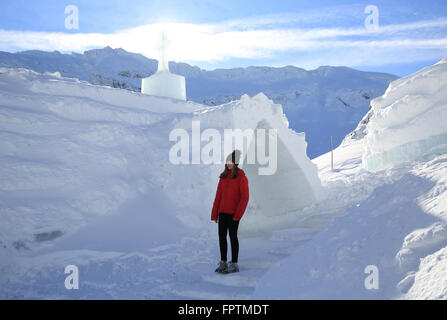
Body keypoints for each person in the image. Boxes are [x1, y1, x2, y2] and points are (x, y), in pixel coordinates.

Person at [211, 150, 249, 273]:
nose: (228, 164)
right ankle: (223, 262)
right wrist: (215, 213)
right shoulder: (223, 177)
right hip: (222, 212)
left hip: (233, 214)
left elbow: (245, 197)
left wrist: (238, 215)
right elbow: (218, 196)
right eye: (227, 161)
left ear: (236, 163)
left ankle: (234, 263)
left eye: (231, 162)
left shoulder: (241, 177)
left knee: (233, 237)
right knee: (222, 237)